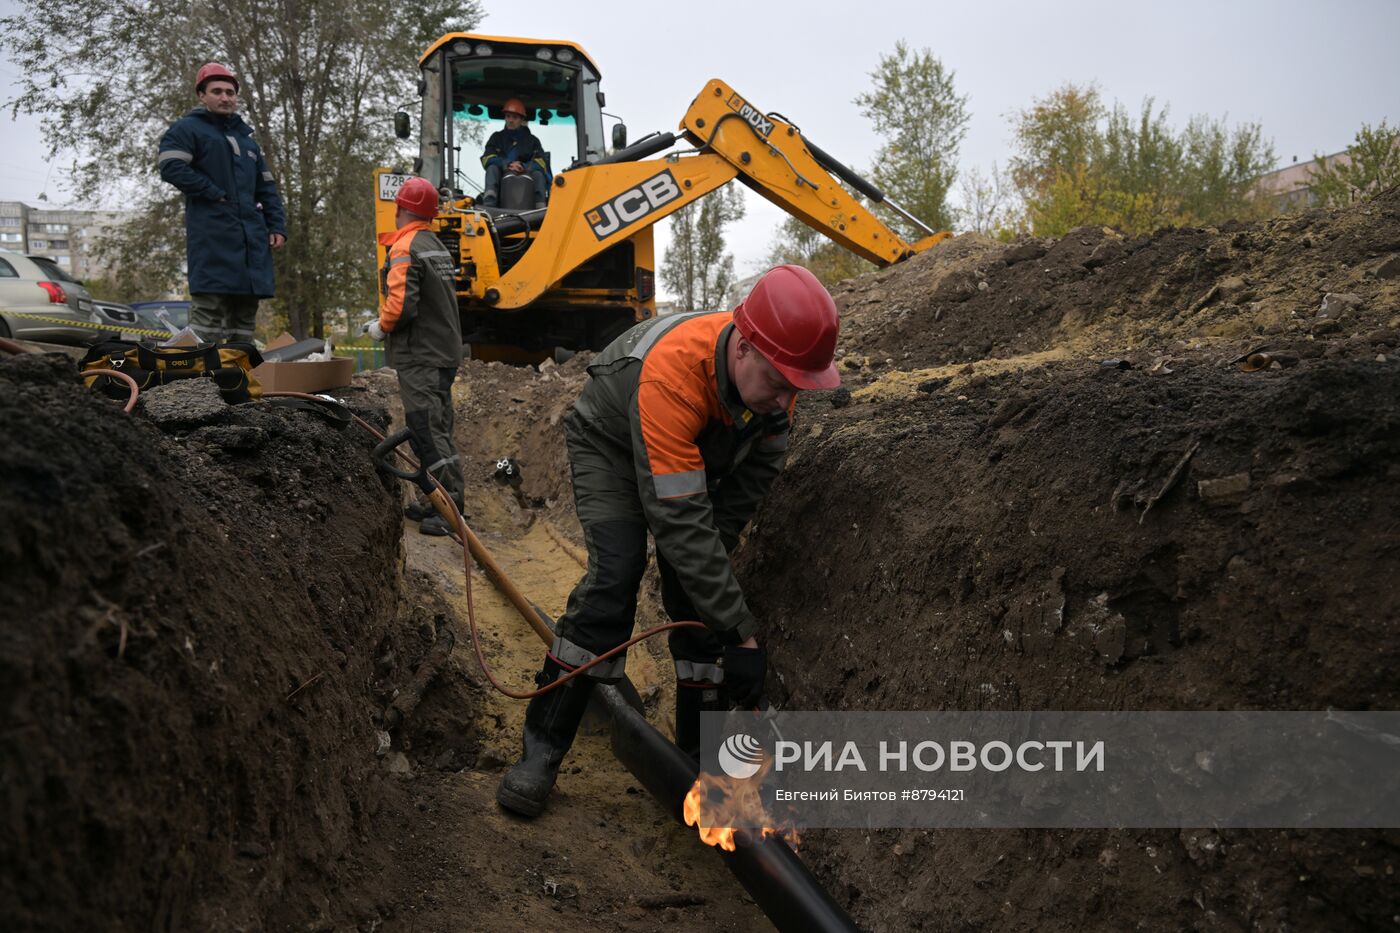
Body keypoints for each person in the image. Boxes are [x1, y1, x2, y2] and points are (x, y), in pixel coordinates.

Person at [496, 264, 842, 818]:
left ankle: (697, 755)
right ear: (745, 347)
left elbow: (721, 520)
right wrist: (743, 635)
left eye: (795, 388)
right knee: (615, 578)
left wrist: (714, 606)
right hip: (608, 443)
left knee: (697, 591)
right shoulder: (673, 375)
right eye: (779, 384)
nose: (785, 401)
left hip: (686, 446)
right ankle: (542, 748)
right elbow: (679, 520)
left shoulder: (777, 389)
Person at [363, 176, 466, 536]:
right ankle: (434, 500)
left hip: (421, 355)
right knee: (439, 428)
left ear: (402, 208)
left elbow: (401, 305)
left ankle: (449, 507)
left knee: (426, 429)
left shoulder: (405, 246)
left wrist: (381, 327)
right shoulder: (433, 243)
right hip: (441, 352)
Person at [157, 62, 287, 344]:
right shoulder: (187, 130)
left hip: (251, 241)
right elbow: (171, 167)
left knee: (245, 316)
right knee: (210, 310)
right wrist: (214, 193)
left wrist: (277, 226)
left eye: (230, 92)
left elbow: (267, 189)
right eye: (217, 91)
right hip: (212, 236)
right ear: (201, 95)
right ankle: (200, 382)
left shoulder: (248, 143)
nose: (225, 97)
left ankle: (239, 375)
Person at [478, 97, 550, 209]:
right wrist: (507, 164)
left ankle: (540, 209)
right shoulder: (496, 138)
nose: (510, 120)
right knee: (492, 168)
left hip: (527, 178)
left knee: (539, 174)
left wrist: (523, 166)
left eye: (515, 117)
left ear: (522, 120)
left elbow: (542, 163)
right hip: (502, 176)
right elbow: (487, 158)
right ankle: (489, 207)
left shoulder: (532, 141)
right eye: (508, 116)